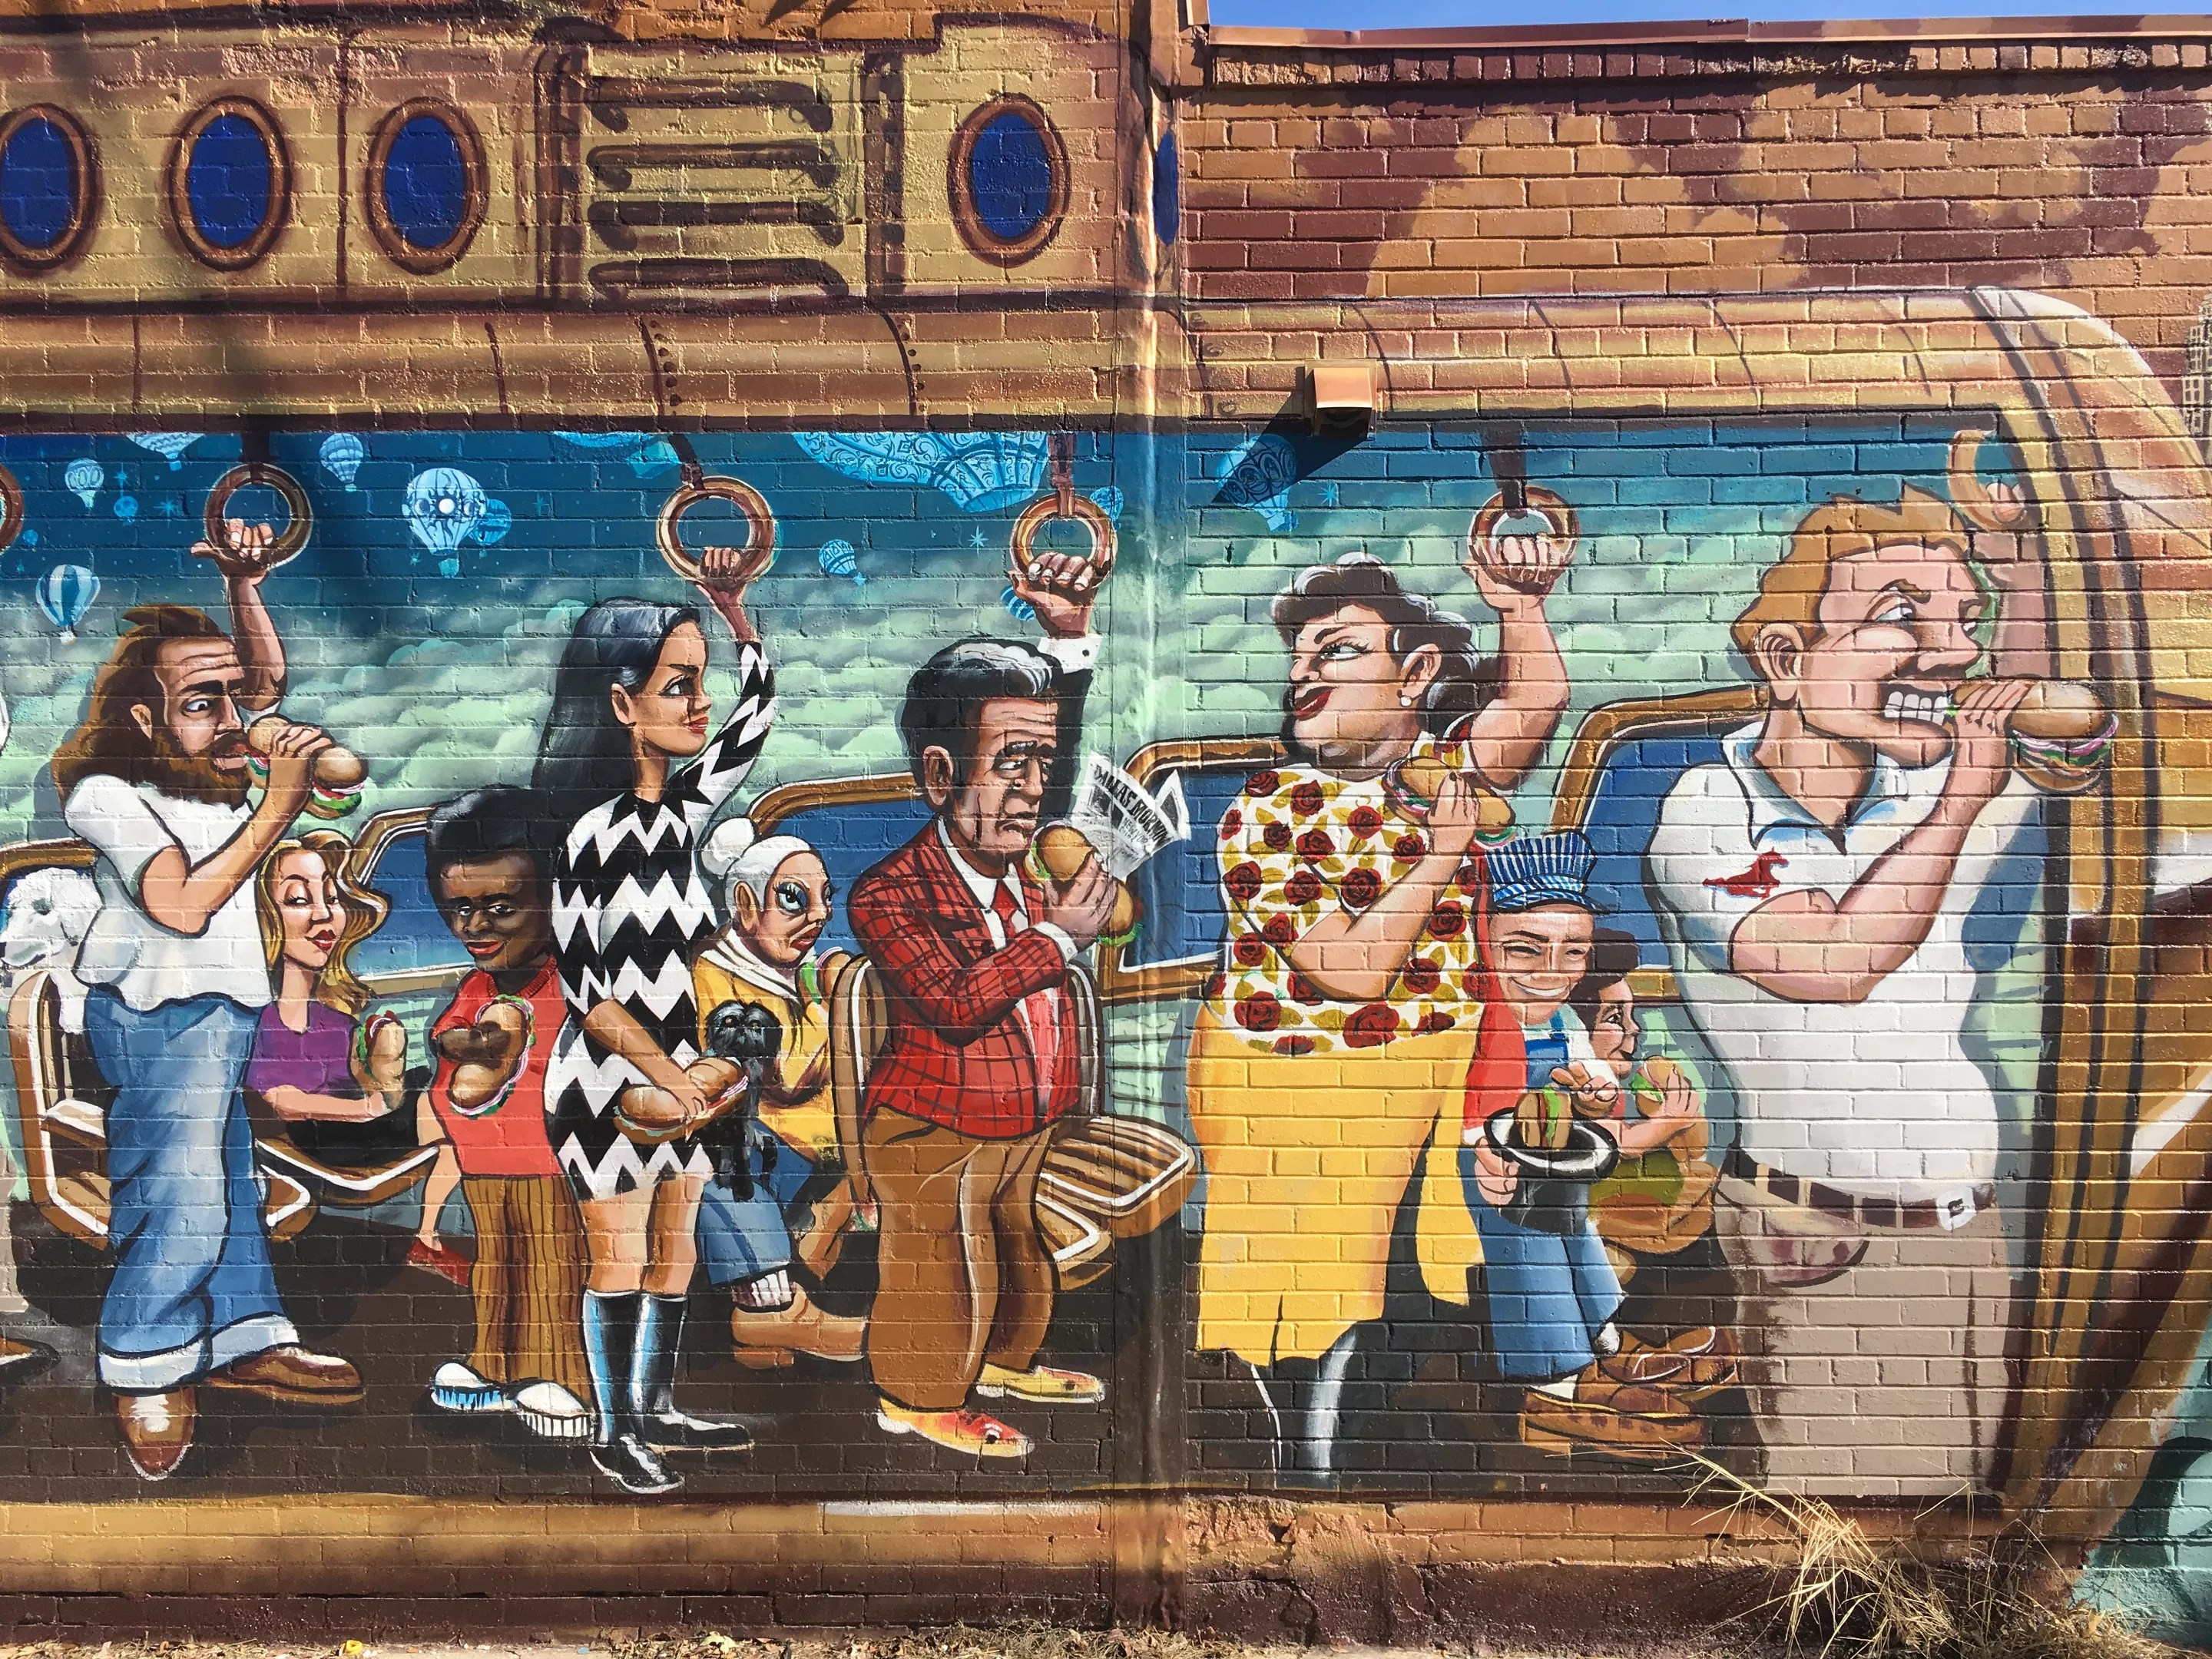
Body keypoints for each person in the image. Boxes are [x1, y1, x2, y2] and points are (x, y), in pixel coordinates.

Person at [1645, 487, 2041, 1495]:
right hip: (1830, 1239)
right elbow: (1832, 962)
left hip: (1965, 1236)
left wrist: (2019, 563)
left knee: (1964, 1515)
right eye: (1903, 617)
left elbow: (2038, 696)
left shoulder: (1940, 784)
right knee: (1862, 1521)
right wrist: (1960, 802)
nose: (1953, 655)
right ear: (1785, 660)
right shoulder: (1710, 810)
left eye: (1965, 620)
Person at [1189, 539, 1571, 1481]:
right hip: (1299, 1087)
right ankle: (1307, 1464)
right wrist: (1440, 856)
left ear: (1417, 672)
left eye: (1337, 651)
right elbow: (1349, 969)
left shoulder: (1437, 776)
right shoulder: (1269, 812)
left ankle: (1336, 1447)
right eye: (1300, 658)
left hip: (1425, 1080)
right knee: (1310, 1294)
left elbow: (1535, 704)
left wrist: (1519, 604)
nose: (1305, 675)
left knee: (1411, 1284)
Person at [51, 524, 362, 1482]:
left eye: (233, 697)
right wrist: (278, 803)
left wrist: (242, 585)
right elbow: (181, 905)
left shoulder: (218, 767)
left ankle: (242, 1337)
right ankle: (146, 1358)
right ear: (146, 720)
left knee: (225, 1182)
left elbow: (263, 681)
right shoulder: (107, 793)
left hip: (222, 1010)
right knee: (180, 1194)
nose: (235, 716)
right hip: (155, 1014)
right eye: (203, 701)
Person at [847, 550, 1106, 1460]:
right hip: (929, 1122)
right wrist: (1058, 940)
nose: (1034, 788)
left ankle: (1005, 1361)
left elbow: (1056, 766)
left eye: (1042, 763)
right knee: (943, 1259)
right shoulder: (890, 894)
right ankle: (918, 1396)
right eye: (1011, 763)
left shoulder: (1027, 866)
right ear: (938, 774)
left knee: (1014, 1240)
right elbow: (954, 1003)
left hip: (1022, 1115)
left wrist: (1068, 642)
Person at [532, 545, 773, 1495]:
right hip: (607, 1085)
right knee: (623, 1256)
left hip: (679, 1079)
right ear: (622, 704)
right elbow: (588, 995)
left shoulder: (679, 814)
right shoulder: (588, 839)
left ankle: (657, 1405)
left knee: (674, 1253)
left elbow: (754, 719)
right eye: (679, 686)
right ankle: (615, 1430)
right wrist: (674, 1080)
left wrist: (736, 612)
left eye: (700, 681)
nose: (700, 703)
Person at [1458, 833, 1691, 1462]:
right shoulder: (1473, 1022)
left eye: (1574, 952)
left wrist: (1593, 1095)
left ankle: (1604, 1345)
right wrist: (1485, 1153)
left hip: (1557, 1161)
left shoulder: (1563, 1020)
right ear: (1486, 946)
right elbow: (1459, 1106)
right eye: (1525, 950)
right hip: (1491, 1163)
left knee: (1576, 1236)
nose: (1551, 973)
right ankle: (1554, 1389)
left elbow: (1594, 1088)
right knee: (1530, 1250)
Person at [419, 786, 591, 1442]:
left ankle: (560, 1374)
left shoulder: (570, 983)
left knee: (552, 1266)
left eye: (500, 908)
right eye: (460, 909)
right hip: (484, 1161)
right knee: (495, 1266)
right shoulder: (478, 986)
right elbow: (449, 1037)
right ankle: (491, 1362)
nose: (476, 927)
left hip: (550, 1165)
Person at [690, 818, 864, 1369]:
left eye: (824, 898)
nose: (819, 915)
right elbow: (784, 1076)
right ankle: (771, 1309)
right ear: (745, 905)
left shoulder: (792, 969)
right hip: (767, 1143)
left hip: (827, 1138)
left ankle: (782, 1315)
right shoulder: (717, 973)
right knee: (738, 1165)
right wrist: (834, 1004)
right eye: (794, 899)